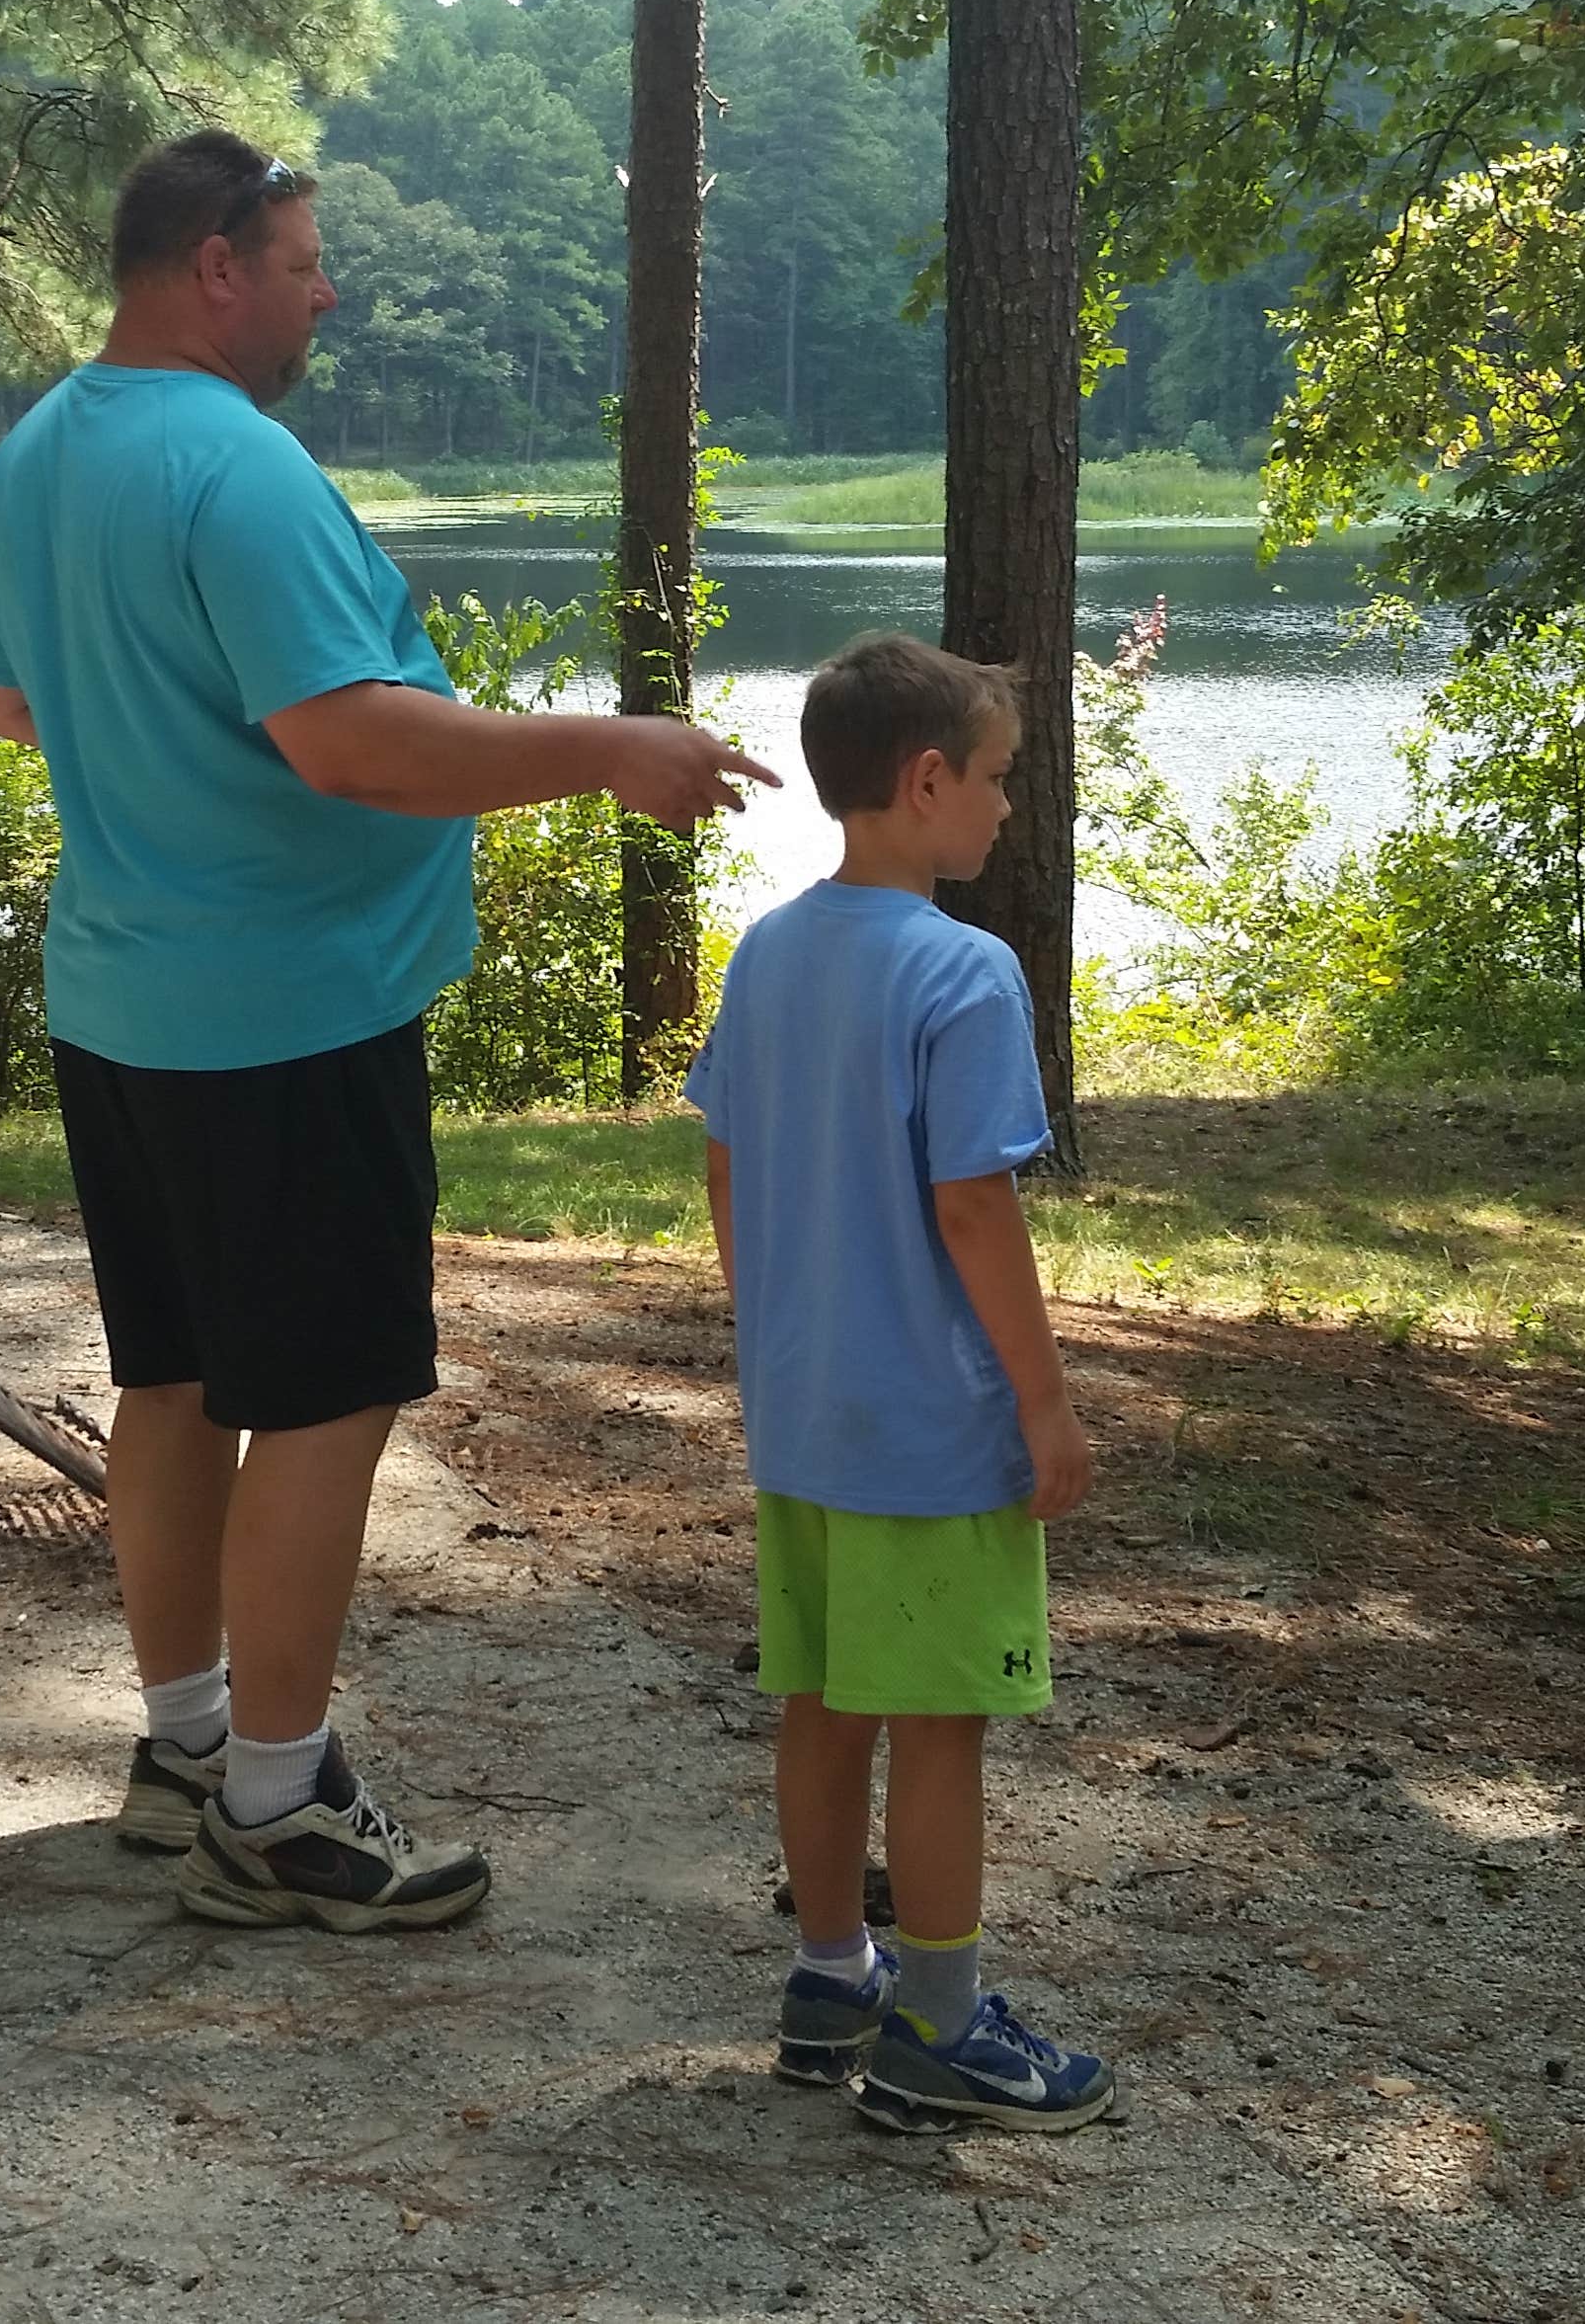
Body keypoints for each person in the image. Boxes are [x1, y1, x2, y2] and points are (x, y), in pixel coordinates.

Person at [0, 128, 778, 1933]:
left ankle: (184, 1754)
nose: (330, 292)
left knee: (173, 1388)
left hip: (125, 998)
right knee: (324, 1404)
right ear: (217, 265)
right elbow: (350, 740)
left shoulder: (36, 455)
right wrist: (604, 749)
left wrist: (156, 751)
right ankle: (277, 1814)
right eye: (307, 261)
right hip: (285, 1016)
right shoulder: (234, 468)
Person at [683, 631, 1122, 2133]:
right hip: (931, 1431)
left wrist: (782, 1334)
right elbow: (972, 1207)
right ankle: (939, 2025)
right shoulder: (965, 971)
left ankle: (829, 1975)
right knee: (939, 1723)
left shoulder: (769, 950)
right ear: (925, 782)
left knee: (820, 1701)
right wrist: (1046, 1398)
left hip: (806, 1414)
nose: (1009, 810)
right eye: (997, 781)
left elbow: (729, 1166)